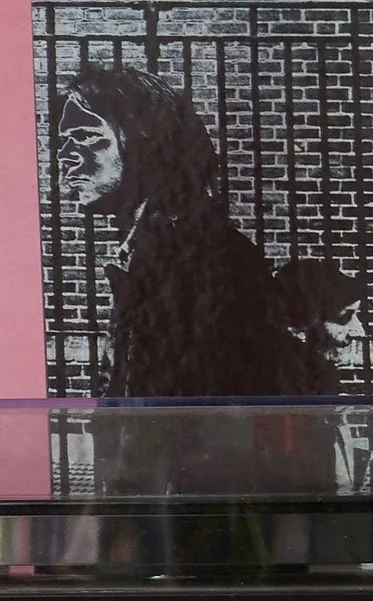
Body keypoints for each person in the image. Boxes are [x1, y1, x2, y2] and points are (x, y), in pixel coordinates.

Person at [56, 61, 314, 401]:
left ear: (146, 142)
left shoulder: (200, 258)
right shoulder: (148, 251)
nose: (64, 156)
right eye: (64, 140)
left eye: (86, 137)